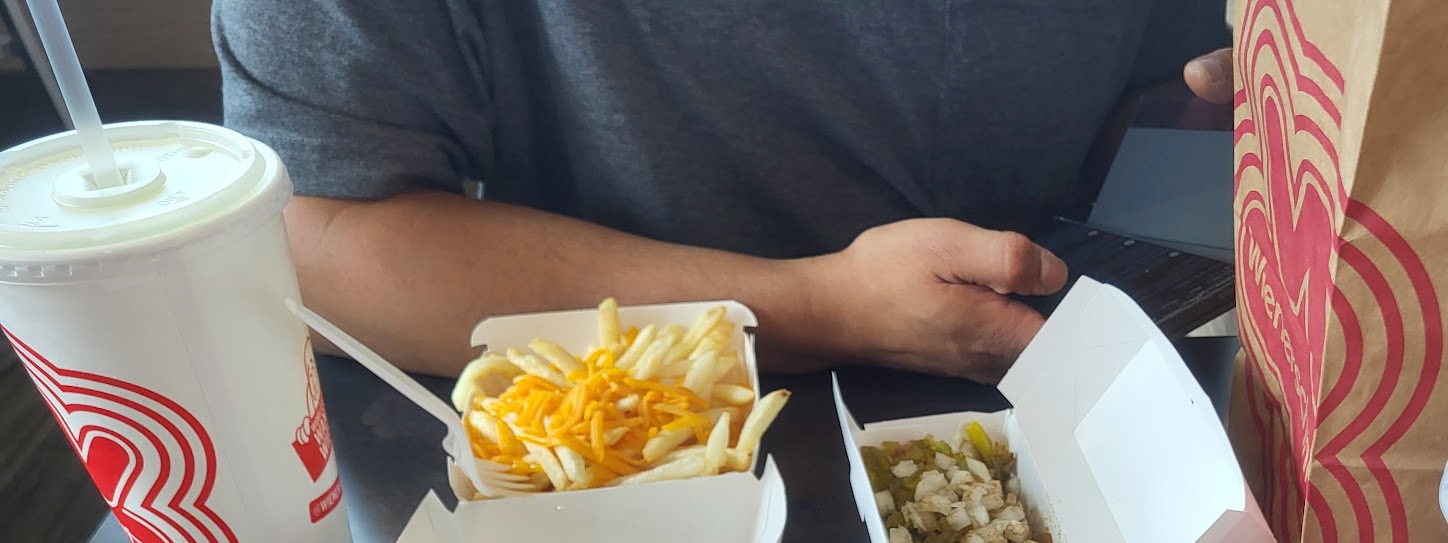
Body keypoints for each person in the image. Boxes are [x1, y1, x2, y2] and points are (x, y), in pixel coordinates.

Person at [214, 2, 1231, 381]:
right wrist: (818, 307)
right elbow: (313, 233)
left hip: (1075, 374)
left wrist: (1208, 128)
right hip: (620, 422)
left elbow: (1143, 94)